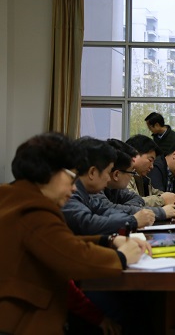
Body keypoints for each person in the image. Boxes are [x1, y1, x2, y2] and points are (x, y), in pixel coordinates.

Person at [0, 132, 150, 335]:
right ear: (50, 172)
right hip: (21, 321)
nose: (73, 188)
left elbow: (60, 243)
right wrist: (121, 257)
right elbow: (72, 256)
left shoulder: (13, 197)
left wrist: (108, 239)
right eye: (71, 178)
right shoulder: (33, 210)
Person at [62, 137, 156, 235]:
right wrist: (133, 220)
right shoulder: (71, 193)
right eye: (108, 172)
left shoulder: (87, 192)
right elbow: (87, 223)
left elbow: (106, 211)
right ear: (92, 172)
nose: (108, 178)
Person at [101, 139, 175, 222]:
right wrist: (161, 211)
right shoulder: (95, 192)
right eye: (131, 172)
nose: (152, 166)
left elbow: (134, 200)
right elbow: (111, 210)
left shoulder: (116, 188)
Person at [125, 134, 175, 207]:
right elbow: (133, 203)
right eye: (150, 160)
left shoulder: (141, 178)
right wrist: (162, 200)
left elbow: (156, 193)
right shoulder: (123, 175)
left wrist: (170, 196)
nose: (152, 166)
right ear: (135, 154)